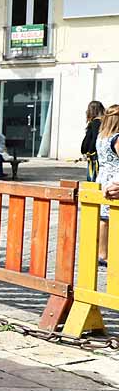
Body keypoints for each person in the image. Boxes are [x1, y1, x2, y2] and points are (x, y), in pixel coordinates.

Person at [95, 105, 119, 267]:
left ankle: (101, 252)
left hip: (102, 177)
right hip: (115, 180)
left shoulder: (101, 137)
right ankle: (106, 253)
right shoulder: (117, 138)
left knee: (103, 218)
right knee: (111, 217)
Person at [83, 101, 105, 182]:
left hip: (94, 155)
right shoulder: (102, 122)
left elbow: (94, 138)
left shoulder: (96, 122)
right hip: (97, 153)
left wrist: (89, 151)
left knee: (92, 178)